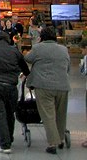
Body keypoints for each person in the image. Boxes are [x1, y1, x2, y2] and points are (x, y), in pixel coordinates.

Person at [25, 26, 71, 154]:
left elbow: (27, 59)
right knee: (61, 114)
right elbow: (67, 67)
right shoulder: (63, 49)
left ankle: (53, 143)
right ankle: (61, 139)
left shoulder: (38, 48)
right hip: (63, 86)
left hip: (44, 86)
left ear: (42, 37)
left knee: (48, 115)